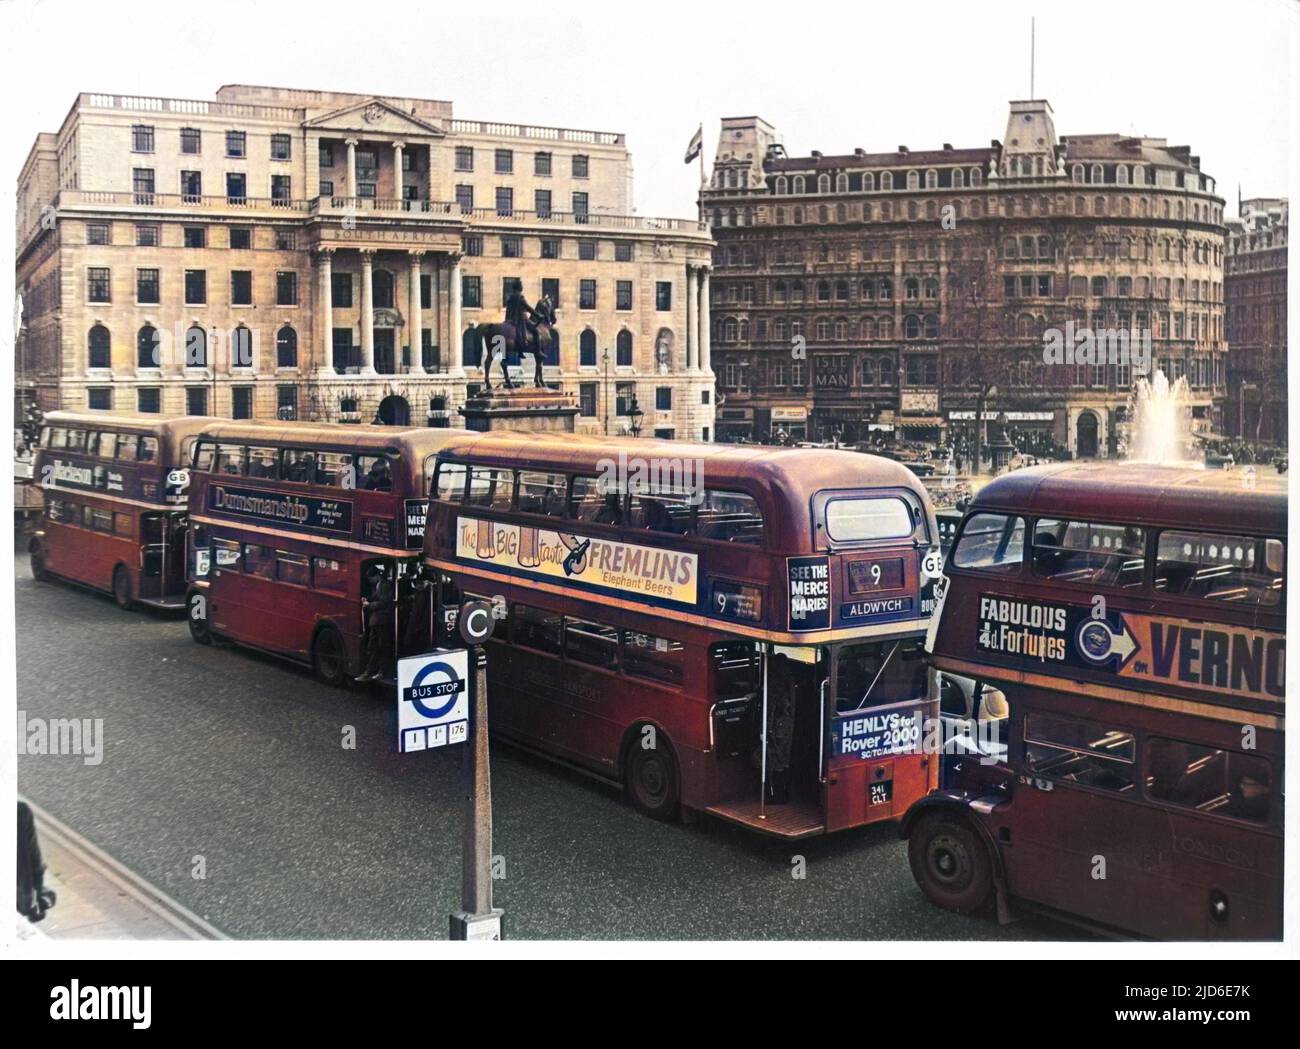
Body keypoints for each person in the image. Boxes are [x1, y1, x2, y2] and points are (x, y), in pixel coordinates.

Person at [17, 801, 56, 923]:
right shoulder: (19, 812)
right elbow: (34, 862)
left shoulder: (20, 812)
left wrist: (38, 893)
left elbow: (34, 861)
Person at [358, 564, 396, 682]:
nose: (370, 581)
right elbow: (376, 596)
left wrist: (369, 605)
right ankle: (371, 671)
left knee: (381, 646)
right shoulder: (380, 585)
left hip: (382, 621)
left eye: (371, 579)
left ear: (376, 576)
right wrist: (367, 598)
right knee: (374, 646)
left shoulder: (384, 585)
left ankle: (380, 671)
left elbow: (384, 602)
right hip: (376, 621)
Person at [503, 278, 535, 356]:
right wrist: (537, 314)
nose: (522, 287)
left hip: (510, 319)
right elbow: (528, 307)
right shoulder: (520, 297)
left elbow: (508, 309)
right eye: (521, 286)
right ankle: (537, 351)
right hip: (519, 319)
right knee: (535, 332)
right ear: (519, 287)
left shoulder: (511, 297)